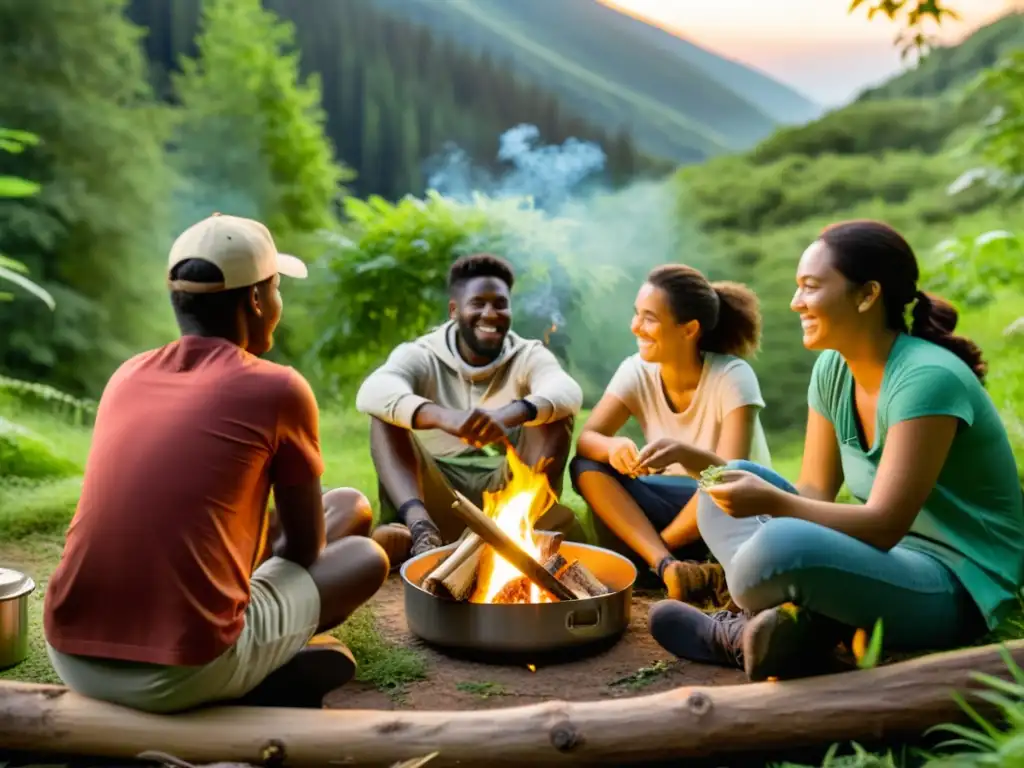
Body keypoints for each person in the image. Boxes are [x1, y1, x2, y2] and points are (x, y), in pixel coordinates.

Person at [648, 219, 1024, 682]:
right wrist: (700, 462)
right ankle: (790, 625)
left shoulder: (926, 379)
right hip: (883, 560)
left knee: (774, 549)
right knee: (722, 485)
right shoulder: (832, 368)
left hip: (957, 586)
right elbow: (814, 491)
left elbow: (885, 524)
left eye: (810, 287)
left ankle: (752, 629)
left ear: (867, 295)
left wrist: (771, 506)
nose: (795, 302)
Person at [43, 213, 389, 713]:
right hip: (184, 669)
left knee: (349, 505)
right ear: (255, 300)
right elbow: (305, 547)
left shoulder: (126, 375)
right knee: (365, 557)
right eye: (275, 290)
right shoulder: (279, 387)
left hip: (71, 653)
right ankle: (259, 677)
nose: (278, 304)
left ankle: (253, 660)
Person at [356, 252, 585, 564]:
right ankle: (420, 531)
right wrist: (444, 417)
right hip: (436, 493)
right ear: (454, 310)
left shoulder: (527, 355)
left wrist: (510, 414)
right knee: (383, 415)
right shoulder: (422, 354)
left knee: (554, 415)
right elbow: (373, 390)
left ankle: (520, 530)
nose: (491, 314)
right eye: (478, 303)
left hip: (509, 491)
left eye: (500, 304)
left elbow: (567, 390)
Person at [570, 264, 770, 605]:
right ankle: (669, 568)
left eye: (650, 318)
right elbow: (588, 439)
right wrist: (614, 446)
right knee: (586, 467)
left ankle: (653, 561)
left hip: (728, 510)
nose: (636, 326)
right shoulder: (636, 370)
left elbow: (731, 474)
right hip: (665, 509)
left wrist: (682, 454)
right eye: (637, 314)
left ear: (689, 329)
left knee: (715, 491)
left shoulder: (733, 376)